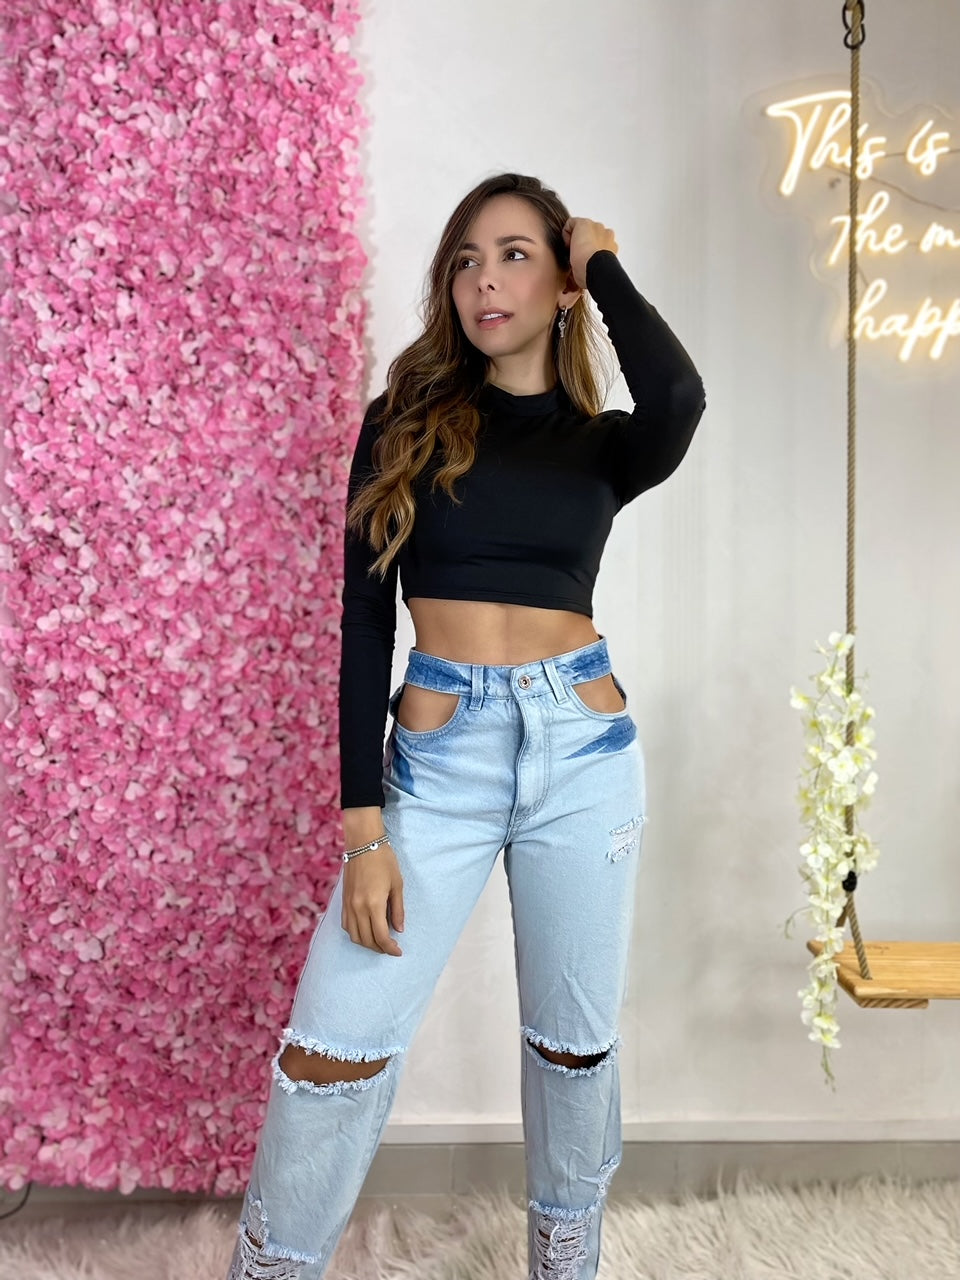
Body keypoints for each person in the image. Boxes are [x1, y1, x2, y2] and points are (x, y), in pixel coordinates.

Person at [226, 171, 706, 1280]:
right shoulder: (402, 424)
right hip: (438, 765)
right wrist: (363, 828)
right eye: (466, 261)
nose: (486, 280)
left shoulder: (605, 443)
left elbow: (680, 397)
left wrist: (603, 261)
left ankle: (564, 1266)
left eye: (516, 256)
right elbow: (363, 619)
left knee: (572, 1050)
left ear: (563, 283)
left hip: (583, 756)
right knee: (331, 1049)